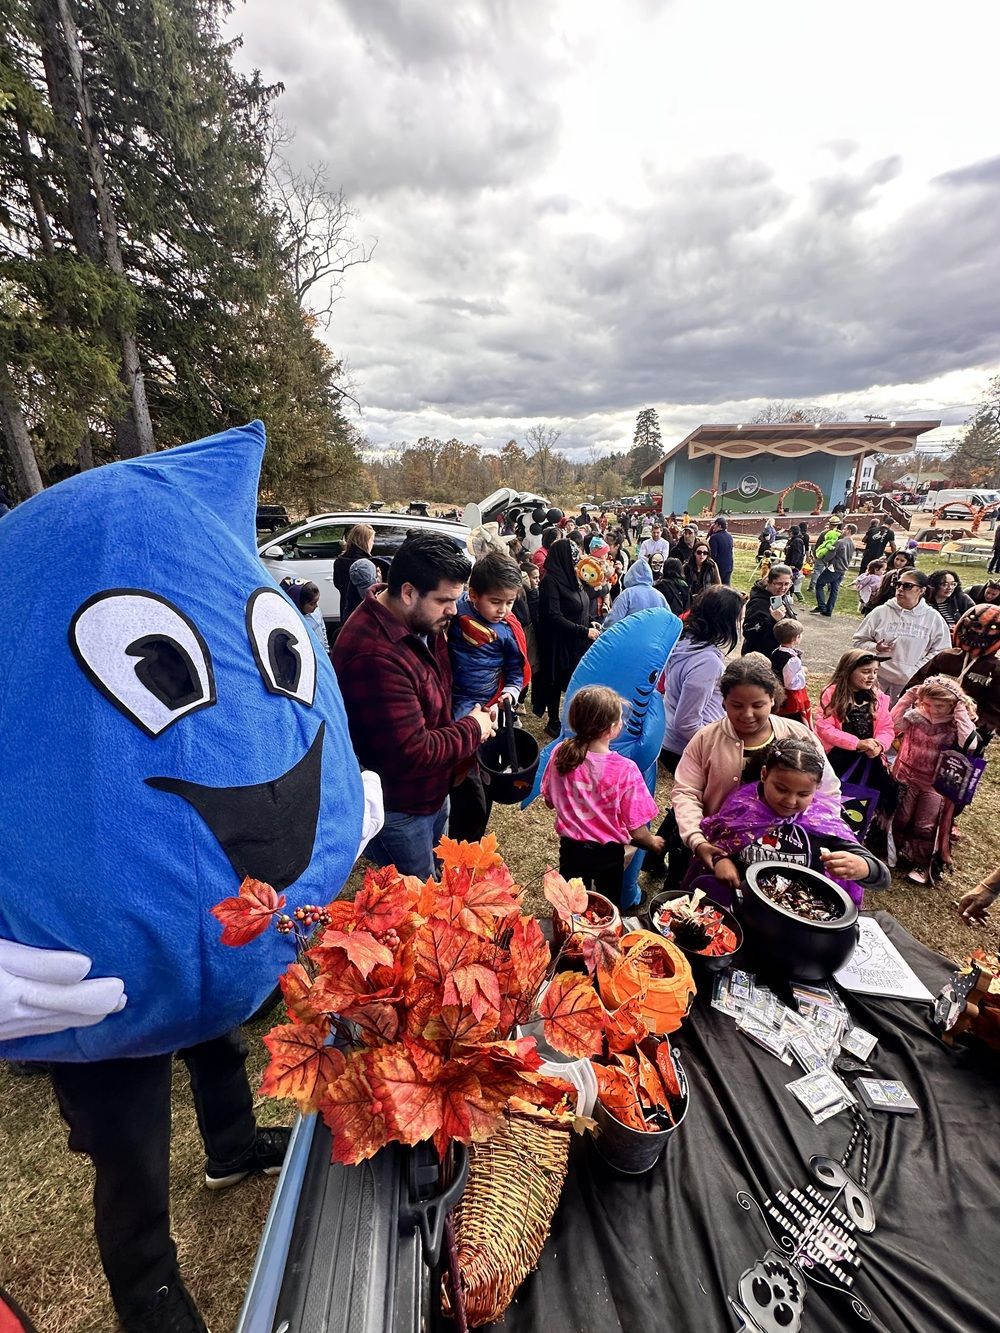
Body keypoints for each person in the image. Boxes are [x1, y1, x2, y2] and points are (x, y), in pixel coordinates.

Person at [333, 532, 496, 879]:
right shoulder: (374, 655)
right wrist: (473, 728)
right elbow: (413, 752)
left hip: (433, 790)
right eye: (444, 600)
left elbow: (437, 685)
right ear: (408, 592)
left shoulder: (420, 620)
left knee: (438, 870)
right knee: (418, 902)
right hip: (402, 807)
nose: (453, 609)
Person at [672, 655, 839, 873]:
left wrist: (824, 837)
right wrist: (698, 840)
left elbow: (828, 791)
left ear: (773, 699)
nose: (747, 714)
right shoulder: (705, 739)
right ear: (724, 703)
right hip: (718, 848)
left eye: (758, 705)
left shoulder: (798, 734)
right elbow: (686, 792)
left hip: (786, 851)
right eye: (737, 705)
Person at [691, 737, 889, 904]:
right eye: (781, 789)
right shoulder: (741, 808)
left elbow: (882, 876)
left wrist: (863, 867)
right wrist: (720, 859)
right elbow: (714, 844)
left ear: (818, 787)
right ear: (764, 774)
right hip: (740, 908)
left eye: (803, 794)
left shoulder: (823, 822)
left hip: (799, 919)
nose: (790, 800)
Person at [541, 685, 664, 907]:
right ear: (611, 729)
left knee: (570, 908)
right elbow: (637, 829)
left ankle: (569, 938)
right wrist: (653, 842)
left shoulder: (560, 753)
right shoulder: (625, 770)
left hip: (571, 850)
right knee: (607, 909)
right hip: (608, 856)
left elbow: (550, 801)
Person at [447, 552, 529, 842]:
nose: (503, 610)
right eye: (495, 602)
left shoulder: (507, 630)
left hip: (486, 707)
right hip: (449, 699)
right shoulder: (453, 612)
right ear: (473, 594)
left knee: (476, 768)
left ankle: (469, 834)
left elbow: (516, 671)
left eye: (509, 602)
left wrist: (509, 694)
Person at [891, 676, 977, 884]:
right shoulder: (915, 716)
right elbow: (893, 725)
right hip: (906, 773)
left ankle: (922, 862)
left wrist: (960, 713)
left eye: (939, 706)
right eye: (927, 704)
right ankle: (895, 851)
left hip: (935, 783)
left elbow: (971, 744)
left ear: (952, 705)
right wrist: (907, 698)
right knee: (901, 816)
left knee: (926, 823)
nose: (933, 710)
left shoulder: (956, 724)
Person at [658, 586, 742, 772]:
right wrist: (716, 747)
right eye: (738, 619)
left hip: (672, 738)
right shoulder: (707, 662)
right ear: (724, 621)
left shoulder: (686, 642)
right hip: (689, 745)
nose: (739, 624)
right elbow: (686, 721)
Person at [904, 603, 1000, 743]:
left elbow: (995, 709)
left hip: (966, 731)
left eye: (989, 629)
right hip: (929, 725)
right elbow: (917, 684)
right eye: (976, 626)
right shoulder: (946, 657)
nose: (979, 632)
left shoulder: (995, 669)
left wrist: (977, 729)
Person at [852, 569, 952, 702]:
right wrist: (876, 647)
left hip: (911, 683)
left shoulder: (933, 618)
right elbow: (858, 641)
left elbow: (942, 650)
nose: (900, 589)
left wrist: (917, 668)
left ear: (921, 590)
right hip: (877, 679)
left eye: (907, 586)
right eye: (898, 584)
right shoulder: (881, 612)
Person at [536, 539, 600, 737]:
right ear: (562, 557)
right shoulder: (550, 581)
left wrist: (590, 621)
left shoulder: (572, 578)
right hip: (559, 643)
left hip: (576, 641)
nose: (575, 562)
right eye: (572, 557)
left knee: (575, 681)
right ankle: (553, 721)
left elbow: (580, 604)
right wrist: (584, 631)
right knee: (555, 683)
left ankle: (574, 719)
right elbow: (553, 615)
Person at [741, 563, 795, 657]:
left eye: (787, 584)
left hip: (777, 654)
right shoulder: (757, 603)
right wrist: (772, 619)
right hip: (759, 657)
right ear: (769, 581)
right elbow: (749, 633)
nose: (783, 588)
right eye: (778, 584)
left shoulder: (779, 597)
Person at [602, 557, 666, 628]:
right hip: (655, 637)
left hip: (629, 636)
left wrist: (603, 631)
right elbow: (669, 620)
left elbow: (613, 620)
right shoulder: (659, 596)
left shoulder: (627, 595)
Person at [770, 619, 810, 726]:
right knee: (793, 716)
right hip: (789, 695)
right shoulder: (792, 659)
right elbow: (791, 683)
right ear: (795, 638)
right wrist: (802, 674)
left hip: (779, 689)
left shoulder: (776, 652)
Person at [812, 522, 856, 616]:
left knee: (819, 583)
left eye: (845, 529)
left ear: (849, 530)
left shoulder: (840, 542)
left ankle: (821, 605)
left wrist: (823, 559)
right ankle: (829, 610)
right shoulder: (852, 543)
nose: (842, 530)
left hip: (834, 567)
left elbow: (830, 555)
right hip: (843, 569)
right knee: (834, 589)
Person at [279, 576, 329, 651]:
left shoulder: (316, 611)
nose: (316, 606)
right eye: (312, 603)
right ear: (298, 603)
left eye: (316, 602)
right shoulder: (293, 622)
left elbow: (322, 629)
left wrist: (326, 649)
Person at [332, 522, 375, 607]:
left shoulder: (339, 561)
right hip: (363, 609)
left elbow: (337, 584)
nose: (373, 543)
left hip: (345, 606)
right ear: (365, 541)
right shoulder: (367, 565)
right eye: (372, 540)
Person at [341, 557, 380, 621]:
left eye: (372, 587)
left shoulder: (395, 577)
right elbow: (349, 610)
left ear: (378, 572)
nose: (369, 594)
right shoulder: (356, 578)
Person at [708, 517, 734, 585]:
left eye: (715, 524)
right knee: (726, 587)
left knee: (717, 587)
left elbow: (713, 555)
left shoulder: (714, 537)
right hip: (729, 565)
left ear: (718, 525)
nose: (714, 527)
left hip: (719, 567)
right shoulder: (729, 536)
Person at [784, 524, 807, 601]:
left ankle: (792, 595)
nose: (788, 533)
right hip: (789, 563)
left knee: (791, 580)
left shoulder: (797, 541)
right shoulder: (792, 540)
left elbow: (797, 553)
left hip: (794, 565)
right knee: (790, 580)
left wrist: (793, 564)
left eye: (790, 532)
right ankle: (789, 595)